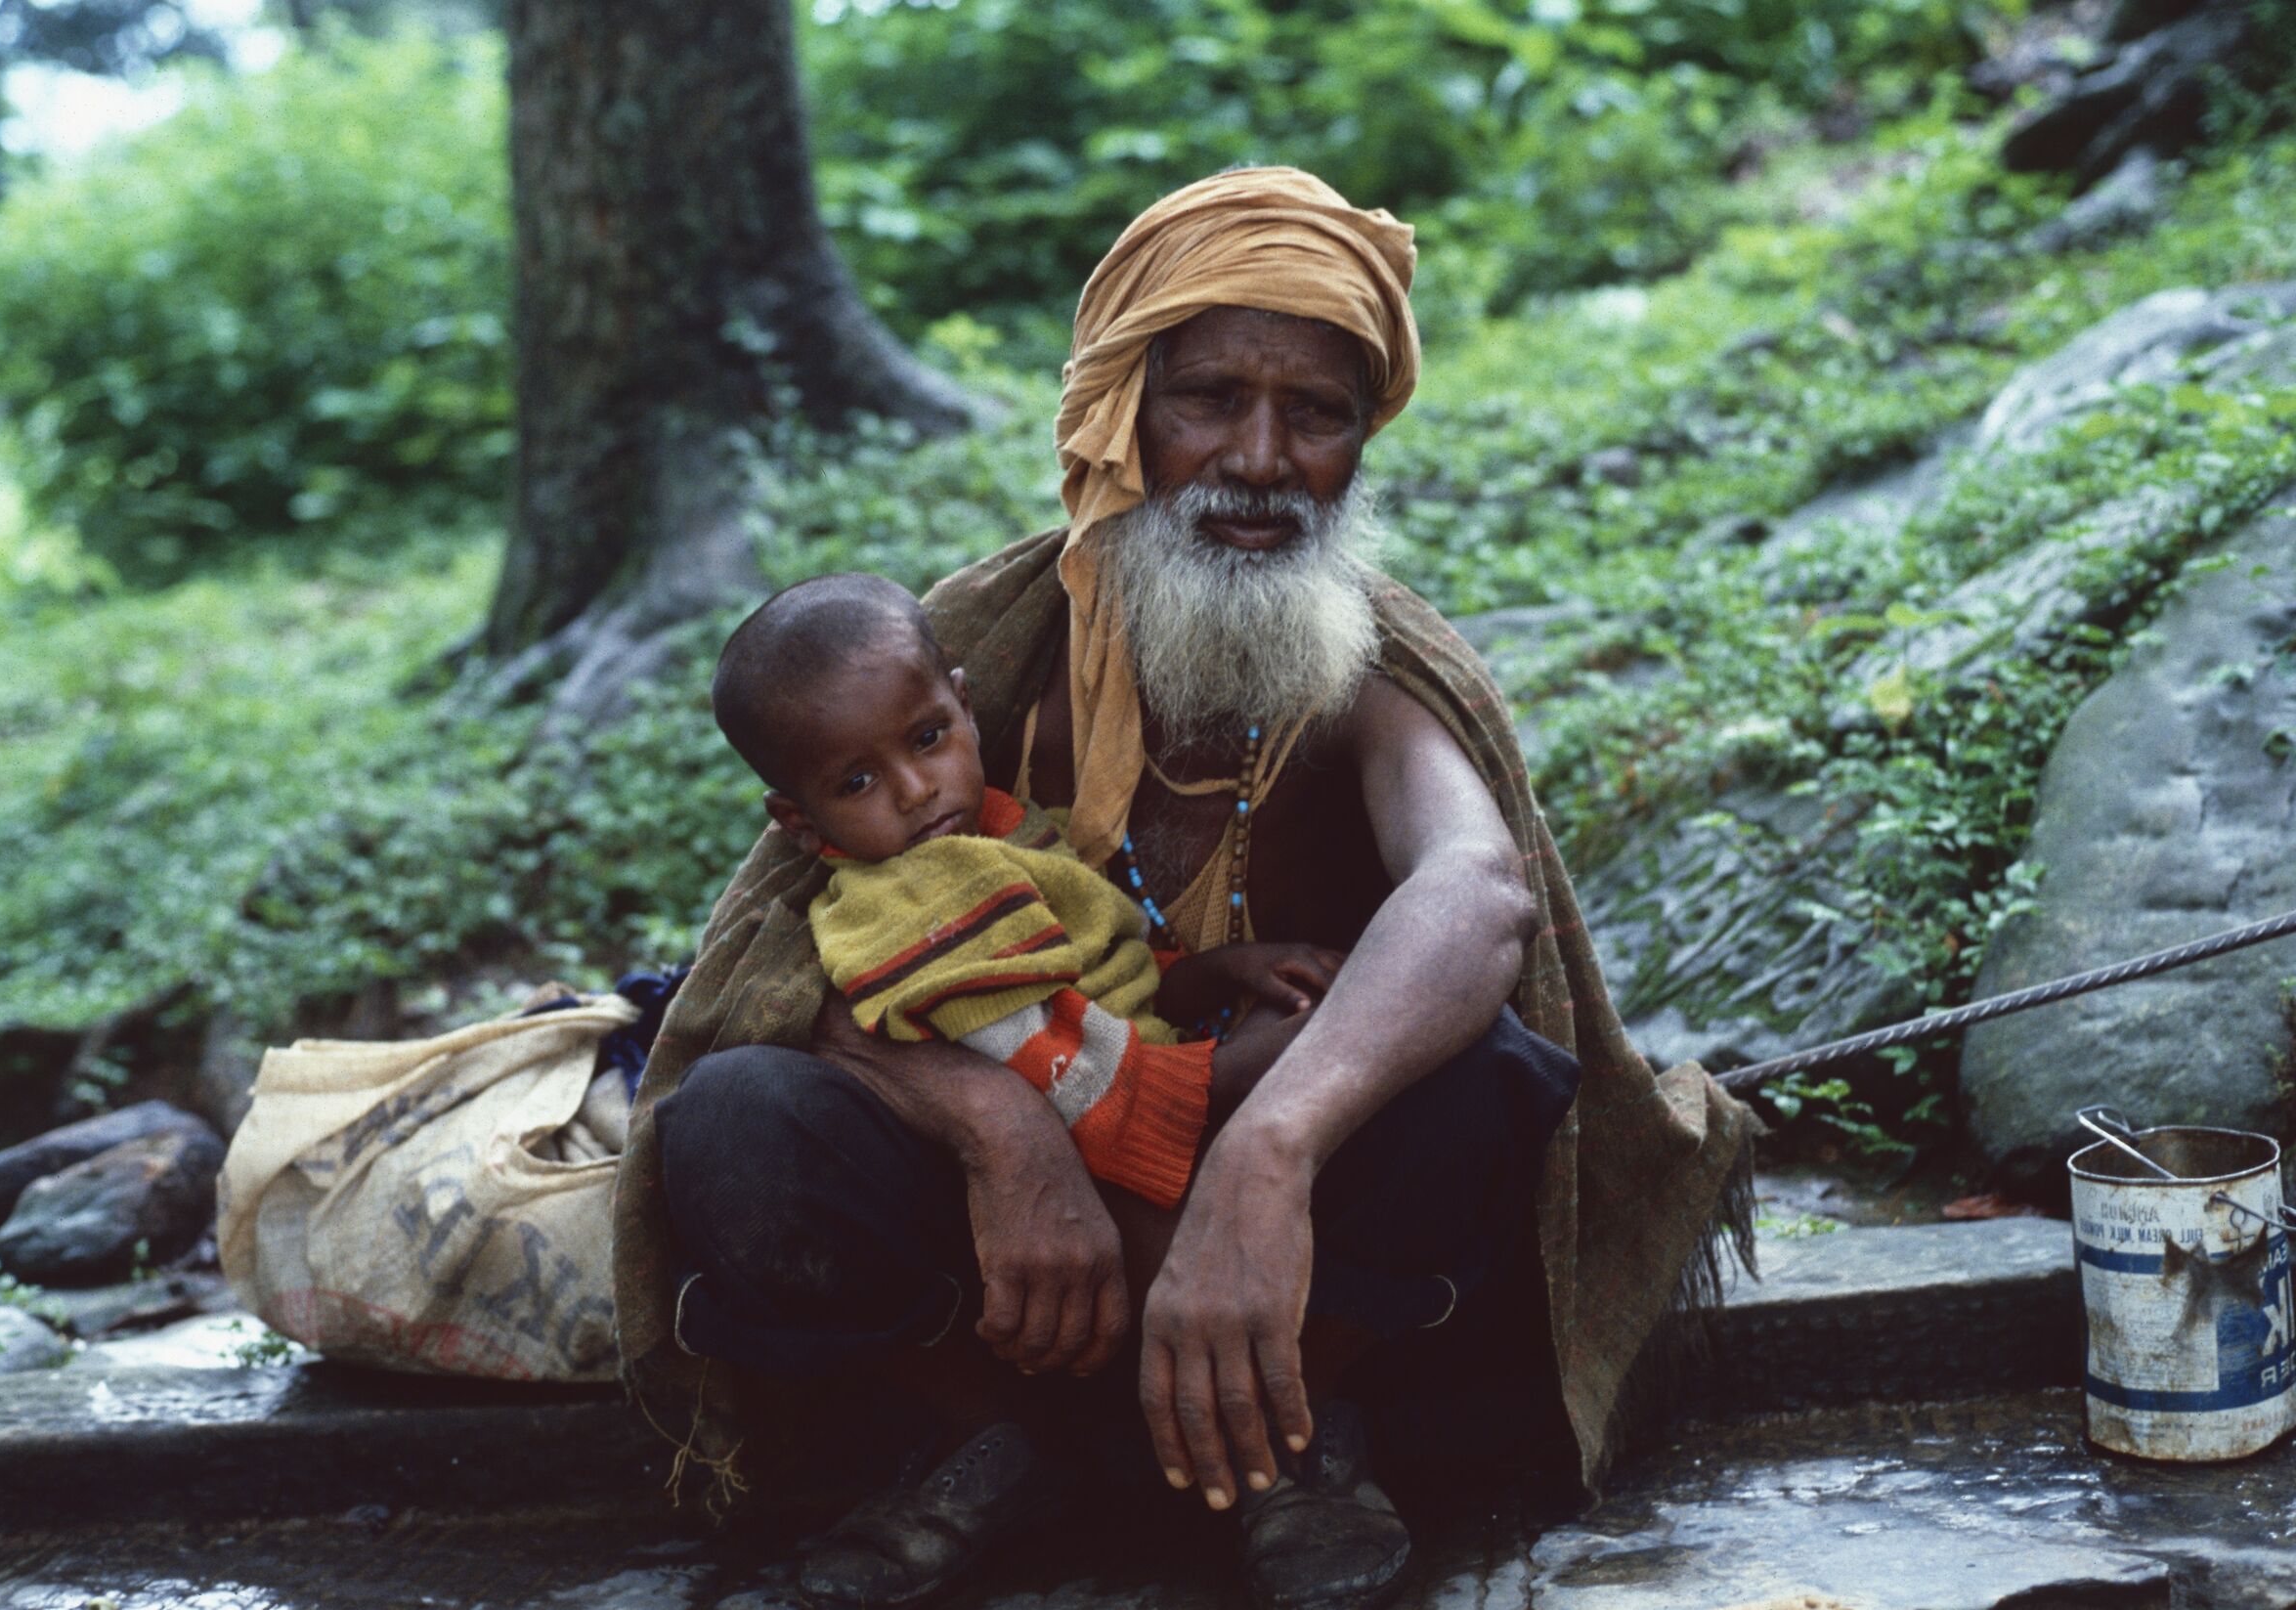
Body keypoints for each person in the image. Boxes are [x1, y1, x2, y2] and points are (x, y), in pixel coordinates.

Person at [612, 167, 1758, 1610]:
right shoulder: (960, 672)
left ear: (1361, 439)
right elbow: (785, 982)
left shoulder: (1379, 674)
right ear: (1120, 413)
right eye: (1209, 397)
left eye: (1319, 413)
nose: (1263, 458)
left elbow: (1477, 893)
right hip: (1009, 1251)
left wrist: (1263, 1164)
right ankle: (992, 1437)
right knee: (739, 1118)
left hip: (1276, 1231)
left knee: (1489, 1072)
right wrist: (1001, 1139)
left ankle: (1284, 1429)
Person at [707, 571, 1342, 1211]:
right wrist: (1215, 1083)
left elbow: (1101, 971)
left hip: (1144, 1083)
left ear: (967, 709)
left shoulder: (1005, 829)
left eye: (928, 739)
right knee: (1337, 1027)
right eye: (857, 783)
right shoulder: (899, 905)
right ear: (799, 822)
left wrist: (1220, 970)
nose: (915, 789)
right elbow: (1038, 1062)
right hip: (1100, 1160)